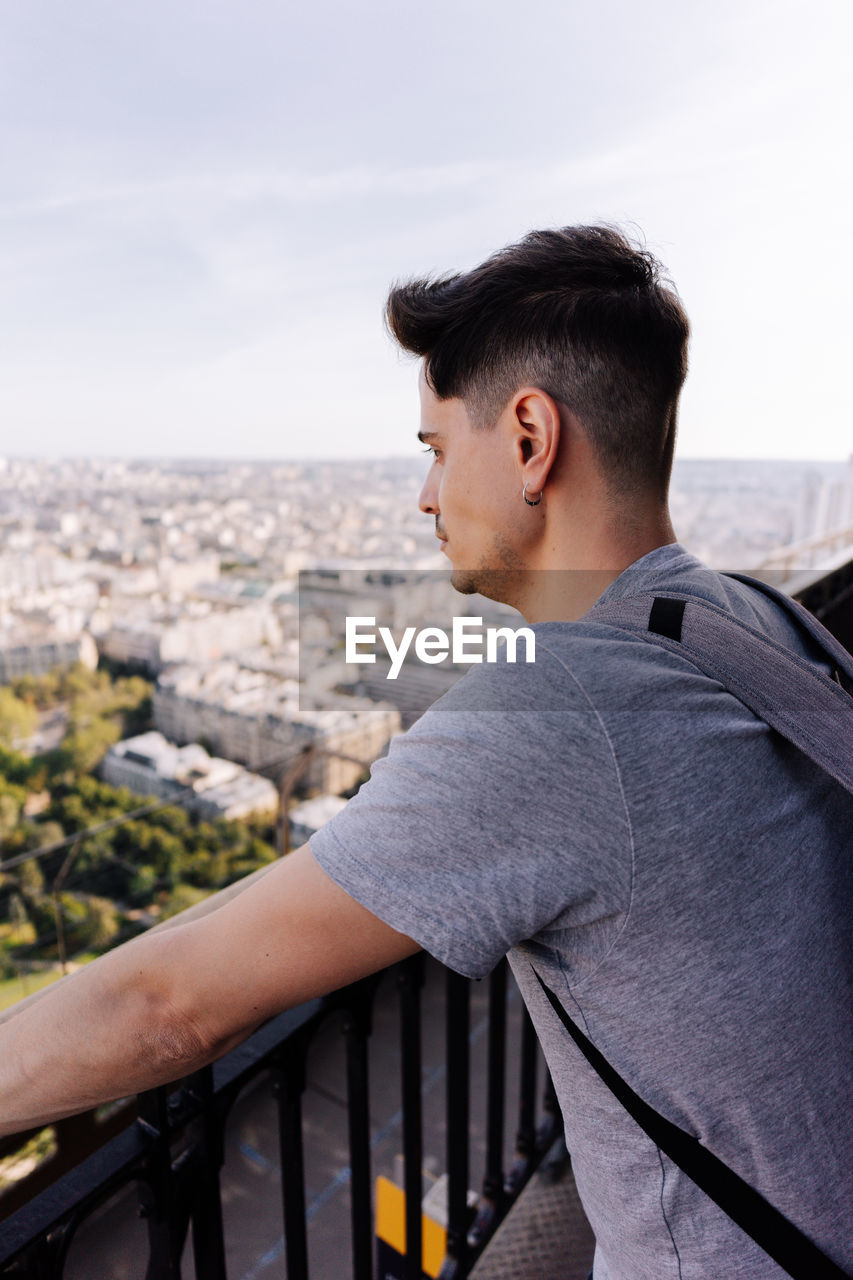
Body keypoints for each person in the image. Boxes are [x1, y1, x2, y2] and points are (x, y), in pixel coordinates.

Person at [1, 226, 850, 1279]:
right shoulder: (758, 616)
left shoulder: (562, 706)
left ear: (532, 438)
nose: (425, 496)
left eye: (438, 451)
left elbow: (168, 1009)